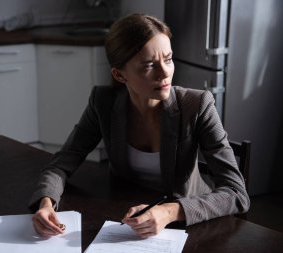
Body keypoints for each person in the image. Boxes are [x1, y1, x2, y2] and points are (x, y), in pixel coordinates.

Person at [29, 13, 250, 238]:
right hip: (125, 219)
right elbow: (61, 163)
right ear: (119, 74)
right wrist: (46, 203)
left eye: (168, 59)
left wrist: (169, 211)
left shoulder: (197, 105)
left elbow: (236, 193)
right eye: (148, 66)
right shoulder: (103, 102)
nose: (164, 73)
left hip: (188, 225)